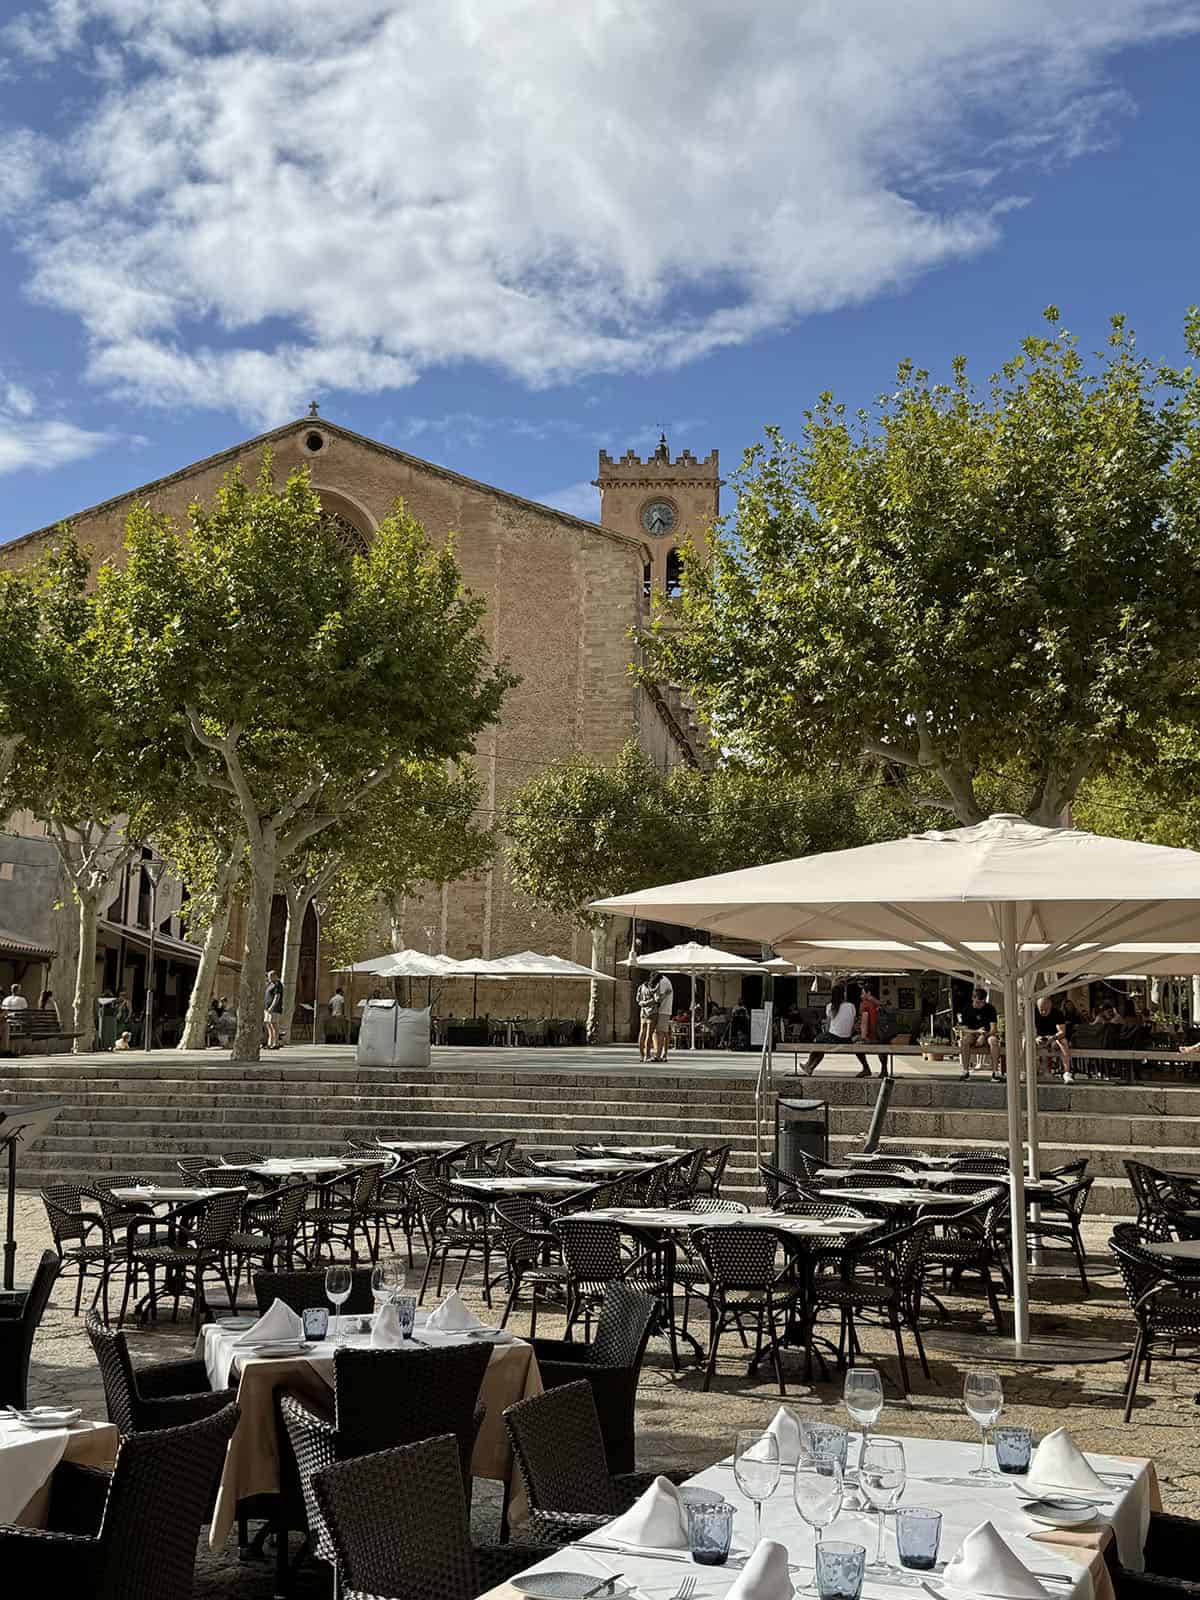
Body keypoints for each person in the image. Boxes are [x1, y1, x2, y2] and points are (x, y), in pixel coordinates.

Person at [801, 982, 858, 1075]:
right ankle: (810, 1068)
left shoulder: (830, 1007)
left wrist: (825, 1034)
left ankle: (809, 1064)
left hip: (834, 1037)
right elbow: (852, 1024)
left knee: (817, 1041)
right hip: (847, 1039)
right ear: (844, 994)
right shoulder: (851, 1006)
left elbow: (827, 1027)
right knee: (821, 1045)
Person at [958, 986, 1001, 1081]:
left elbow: (993, 1029)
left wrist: (983, 1036)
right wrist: (977, 1032)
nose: (980, 1004)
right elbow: (964, 1029)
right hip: (972, 1034)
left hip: (987, 1034)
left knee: (994, 1041)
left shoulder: (990, 1008)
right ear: (973, 998)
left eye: (982, 1002)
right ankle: (965, 1071)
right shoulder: (966, 1008)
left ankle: (995, 1072)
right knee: (964, 1041)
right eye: (978, 1002)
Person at [1034, 995, 1073, 1084]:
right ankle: (1026, 1071)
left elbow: (1062, 1032)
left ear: (1050, 1006)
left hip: (1053, 1038)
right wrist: (1035, 1038)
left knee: (1063, 1041)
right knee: (1025, 1041)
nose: (1043, 1012)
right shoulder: (1033, 1013)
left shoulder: (1057, 1013)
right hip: (1038, 1038)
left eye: (1045, 1010)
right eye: (1041, 1009)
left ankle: (1067, 1073)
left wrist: (1053, 1038)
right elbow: (1028, 1030)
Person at [649, 971, 674, 1063]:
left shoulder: (662, 982)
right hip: (665, 1010)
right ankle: (663, 1054)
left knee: (660, 1032)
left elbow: (659, 998)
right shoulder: (664, 980)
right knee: (664, 1033)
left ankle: (658, 1055)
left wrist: (655, 998)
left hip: (663, 1010)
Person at [635, 976, 657, 1062]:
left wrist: (642, 1003)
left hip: (643, 1012)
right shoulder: (654, 988)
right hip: (652, 1012)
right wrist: (649, 1003)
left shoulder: (640, 987)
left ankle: (641, 1054)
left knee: (642, 1033)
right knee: (649, 1034)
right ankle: (647, 1055)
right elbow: (656, 1000)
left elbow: (637, 999)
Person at [264, 969, 284, 1049]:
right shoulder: (270, 984)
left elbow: (277, 996)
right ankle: (270, 1042)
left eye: (270, 977)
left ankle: (276, 1043)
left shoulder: (277, 984)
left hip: (274, 1009)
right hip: (267, 1008)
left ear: (275, 976)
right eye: (268, 977)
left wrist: (272, 1007)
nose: (269, 978)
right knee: (268, 1024)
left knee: (274, 1025)